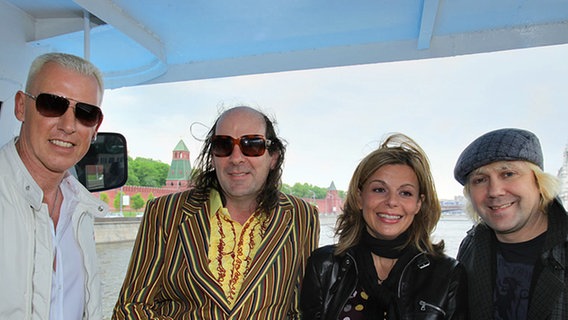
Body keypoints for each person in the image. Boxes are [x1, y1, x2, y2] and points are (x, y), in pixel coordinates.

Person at [112, 106, 320, 319]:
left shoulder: (302, 216)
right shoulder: (165, 212)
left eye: (252, 145)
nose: (236, 158)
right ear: (213, 156)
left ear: (273, 157)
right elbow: (131, 307)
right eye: (223, 145)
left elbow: (300, 311)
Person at [301, 133, 468, 319]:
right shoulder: (324, 266)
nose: (391, 202)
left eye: (405, 193)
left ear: (418, 204)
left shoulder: (448, 275)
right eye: (379, 190)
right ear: (359, 198)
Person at [0, 53, 107, 319]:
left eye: (85, 113)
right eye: (52, 104)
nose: (68, 125)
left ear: (95, 128)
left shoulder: (81, 210)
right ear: (20, 106)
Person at [454, 128, 567, 320]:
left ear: (539, 182)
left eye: (508, 174)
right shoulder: (471, 246)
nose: (494, 191)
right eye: (480, 180)